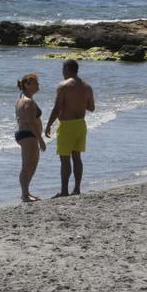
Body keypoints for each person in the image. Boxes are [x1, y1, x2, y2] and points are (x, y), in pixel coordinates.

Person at [45, 59, 95, 197]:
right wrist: (79, 102)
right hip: (80, 124)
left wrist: (49, 124)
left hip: (67, 125)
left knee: (65, 158)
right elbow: (91, 108)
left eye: (63, 69)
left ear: (67, 69)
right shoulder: (87, 86)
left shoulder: (63, 86)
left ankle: (64, 191)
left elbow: (57, 108)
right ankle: (77, 189)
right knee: (77, 157)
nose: (62, 72)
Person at [15, 73, 47, 202]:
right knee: (27, 165)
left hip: (26, 135)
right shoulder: (27, 101)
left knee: (32, 164)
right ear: (27, 85)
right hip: (29, 135)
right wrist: (40, 139)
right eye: (36, 83)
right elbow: (30, 122)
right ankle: (24, 195)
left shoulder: (22, 98)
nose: (38, 85)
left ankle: (27, 192)